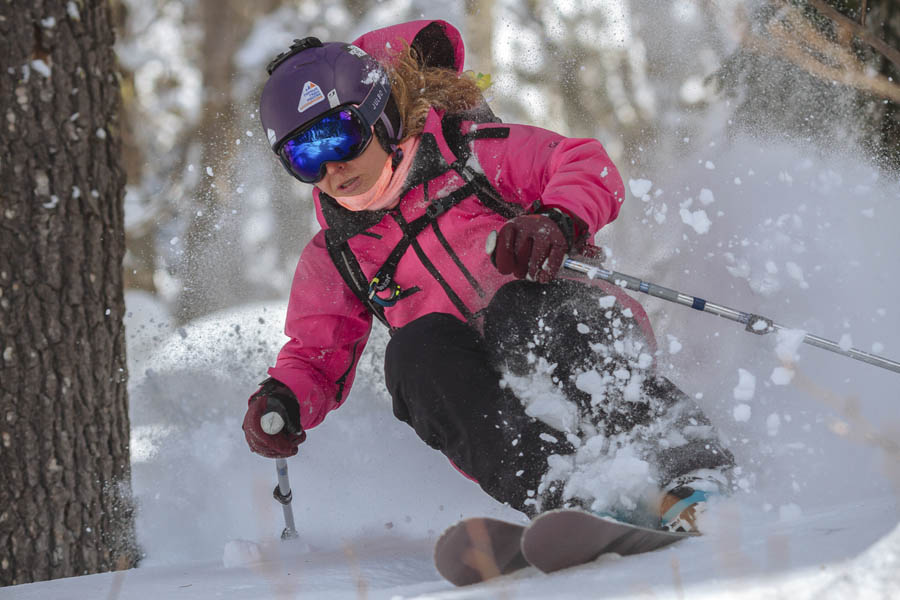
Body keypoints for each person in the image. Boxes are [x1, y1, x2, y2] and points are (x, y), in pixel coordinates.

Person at [242, 19, 734, 531]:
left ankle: (689, 470)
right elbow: (316, 354)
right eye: (305, 157)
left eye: (339, 138)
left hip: (572, 329)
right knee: (413, 354)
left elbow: (585, 164)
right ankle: (568, 491)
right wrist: (284, 398)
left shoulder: (472, 153)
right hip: (483, 392)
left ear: (379, 117)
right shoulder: (338, 253)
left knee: (516, 310)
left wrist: (555, 220)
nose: (332, 169)